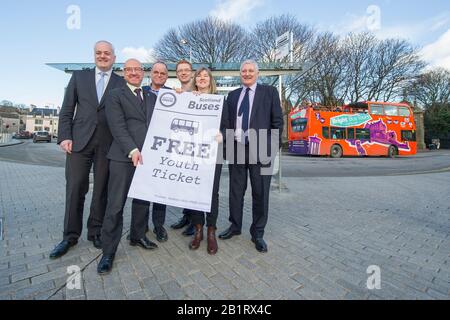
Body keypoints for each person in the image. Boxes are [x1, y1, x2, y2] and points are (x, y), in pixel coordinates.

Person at [50, 41, 125, 259]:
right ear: (94, 55)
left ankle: (96, 232)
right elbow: (66, 109)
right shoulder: (78, 77)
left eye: (107, 53)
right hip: (78, 143)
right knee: (75, 189)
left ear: (114, 57)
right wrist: (64, 136)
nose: (103, 56)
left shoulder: (121, 83)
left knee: (101, 190)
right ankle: (70, 236)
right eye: (99, 53)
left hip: (108, 145)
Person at [97, 59, 158, 275]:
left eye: (137, 69)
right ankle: (108, 251)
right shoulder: (115, 95)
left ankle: (137, 235)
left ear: (143, 73)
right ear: (124, 73)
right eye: (129, 69)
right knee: (115, 205)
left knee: (143, 201)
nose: (134, 73)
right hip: (124, 157)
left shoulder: (152, 96)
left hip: (148, 158)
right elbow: (117, 126)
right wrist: (132, 150)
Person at [219, 60, 283, 253]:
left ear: (257, 73)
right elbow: (227, 123)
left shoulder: (270, 93)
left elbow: (278, 123)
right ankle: (235, 226)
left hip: (261, 148)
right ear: (240, 74)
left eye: (250, 71)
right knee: (235, 192)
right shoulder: (232, 96)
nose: (247, 74)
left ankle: (258, 233)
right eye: (243, 71)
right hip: (237, 148)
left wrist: (271, 149)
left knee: (260, 193)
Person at [187, 66, 228, 255]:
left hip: (214, 152)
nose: (202, 78)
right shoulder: (188, 99)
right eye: (199, 76)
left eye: (206, 76)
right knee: (195, 190)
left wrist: (222, 135)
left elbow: (227, 126)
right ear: (195, 80)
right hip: (193, 152)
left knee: (212, 192)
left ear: (210, 81)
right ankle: (198, 230)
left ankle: (211, 231)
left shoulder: (221, 101)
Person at [170, 59, 196, 237]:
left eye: (187, 70)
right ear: (177, 74)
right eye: (180, 70)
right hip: (180, 146)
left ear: (192, 72)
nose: (184, 73)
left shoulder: (199, 92)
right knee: (183, 184)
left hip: (197, 147)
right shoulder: (175, 94)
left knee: (194, 185)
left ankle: (196, 221)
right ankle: (186, 216)